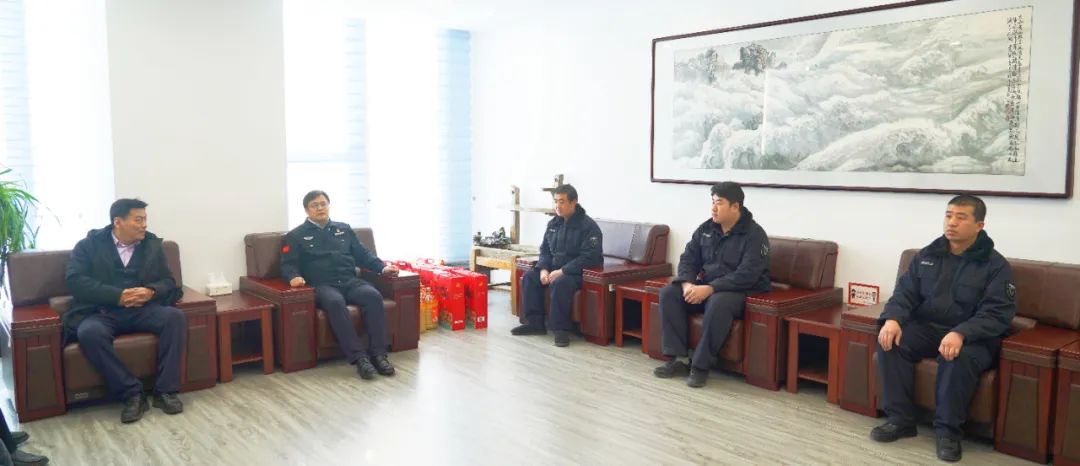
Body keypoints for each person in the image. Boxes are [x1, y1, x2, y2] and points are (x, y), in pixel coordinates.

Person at [871, 195, 1016, 462]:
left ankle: (948, 433)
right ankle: (900, 420)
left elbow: (997, 313)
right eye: (948, 216)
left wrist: (961, 332)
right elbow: (904, 293)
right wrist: (892, 319)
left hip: (973, 337)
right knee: (890, 342)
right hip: (929, 327)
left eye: (961, 217)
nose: (952, 223)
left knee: (955, 356)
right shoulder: (928, 255)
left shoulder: (995, 266)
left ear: (979, 225)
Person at [64, 198, 187, 424]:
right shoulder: (89, 246)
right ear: (118, 222)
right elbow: (75, 281)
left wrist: (151, 291)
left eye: (145, 219)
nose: (144, 225)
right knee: (89, 333)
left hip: (142, 310)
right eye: (138, 220)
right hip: (102, 312)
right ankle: (132, 393)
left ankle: (165, 391)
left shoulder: (151, 245)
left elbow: (169, 281)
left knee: (175, 318)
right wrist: (116, 296)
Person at [653, 182, 770, 388]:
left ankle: (700, 366)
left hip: (741, 290)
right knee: (669, 293)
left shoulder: (755, 235)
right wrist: (688, 285)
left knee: (718, 302)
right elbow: (688, 259)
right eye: (713, 202)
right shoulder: (706, 229)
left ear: (735, 206)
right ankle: (677, 359)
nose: (713, 208)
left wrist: (710, 288)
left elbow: (747, 274)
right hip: (707, 287)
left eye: (719, 203)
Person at [281, 190, 399, 379]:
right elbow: (288, 264)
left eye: (323, 204)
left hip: (349, 281)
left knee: (373, 296)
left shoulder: (344, 229)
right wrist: (293, 277)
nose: (320, 208)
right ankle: (359, 358)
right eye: (314, 205)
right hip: (322, 285)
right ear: (306, 210)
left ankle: (379, 354)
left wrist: (383, 268)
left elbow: (363, 254)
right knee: (335, 302)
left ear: (329, 205)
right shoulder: (296, 235)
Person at [511, 184, 603, 347]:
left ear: (573, 202)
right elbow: (545, 250)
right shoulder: (553, 224)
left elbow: (589, 257)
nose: (557, 206)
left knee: (560, 283)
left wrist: (563, 271)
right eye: (555, 201)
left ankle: (560, 330)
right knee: (530, 277)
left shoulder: (589, 227)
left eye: (562, 202)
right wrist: (543, 269)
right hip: (555, 268)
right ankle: (535, 324)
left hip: (577, 273)